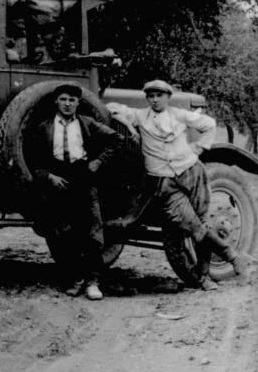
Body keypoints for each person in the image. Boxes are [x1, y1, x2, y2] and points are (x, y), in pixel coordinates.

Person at [106, 79, 255, 290]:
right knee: (193, 226)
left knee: (203, 221)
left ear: (168, 97)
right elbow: (112, 108)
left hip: (192, 172)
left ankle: (204, 276)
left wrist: (199, 148)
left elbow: (209, 124)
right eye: (151, 96)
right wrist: (118, 114)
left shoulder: (179, 115)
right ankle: (233, 256)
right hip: (165, 182)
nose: (156, 100)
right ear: (147, 99)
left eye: (160, 95)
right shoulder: (141, 116)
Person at [27, 83, 122, 300]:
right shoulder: (44, 128)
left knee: (92, 232)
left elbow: (116, 140)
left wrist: (98, 162)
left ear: (79, 103)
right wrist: (49, 176)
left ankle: (93, 282)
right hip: (58, 180)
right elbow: (33, 159)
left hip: (83, 178)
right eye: (63, 99)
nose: (67, 104)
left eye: (72, 100)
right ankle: (75, 278)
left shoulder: (87, 124)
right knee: (62, 233)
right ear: (56, 102)